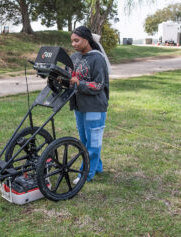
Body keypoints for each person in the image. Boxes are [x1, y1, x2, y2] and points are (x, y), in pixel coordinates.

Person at [69, 26, 110, 183]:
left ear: (87, 39)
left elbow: (99, 85)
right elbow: (70, 77)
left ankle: (86, 174)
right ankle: (96, 167)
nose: (74, 44)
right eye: (72, 41)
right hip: (80, 107)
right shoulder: (74, 57)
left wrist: (80, 83)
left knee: (93, 142)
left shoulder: (97, 59)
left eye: (77, 40)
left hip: (94, 107)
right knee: (85, 140)